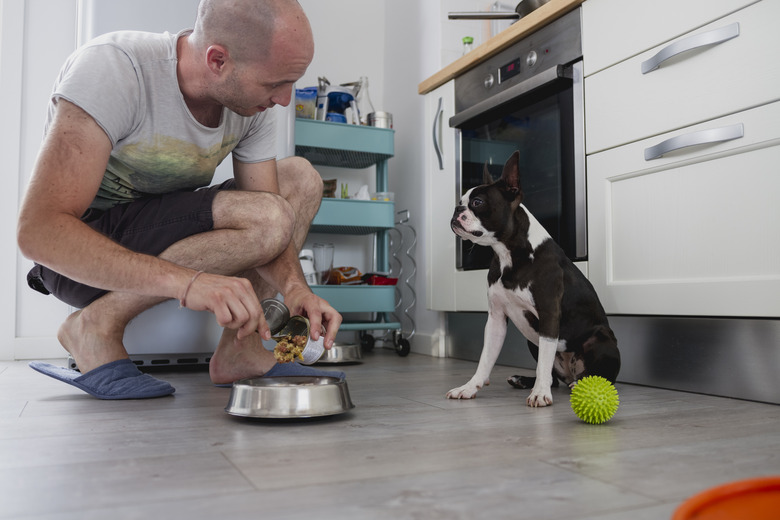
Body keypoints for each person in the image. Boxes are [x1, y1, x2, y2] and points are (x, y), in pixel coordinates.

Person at [17, 0, 344, 400]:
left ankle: (239, 350)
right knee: (269, 213)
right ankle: (96, 325)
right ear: (218, 60)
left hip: (159, 226)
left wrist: (295, 290)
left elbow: (272, 220)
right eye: (275, 83)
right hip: (79, 260)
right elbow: (38, 232)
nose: (284, 99)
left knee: (301, 181)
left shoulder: (251, 104)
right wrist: (188, 283)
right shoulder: (114, 69)